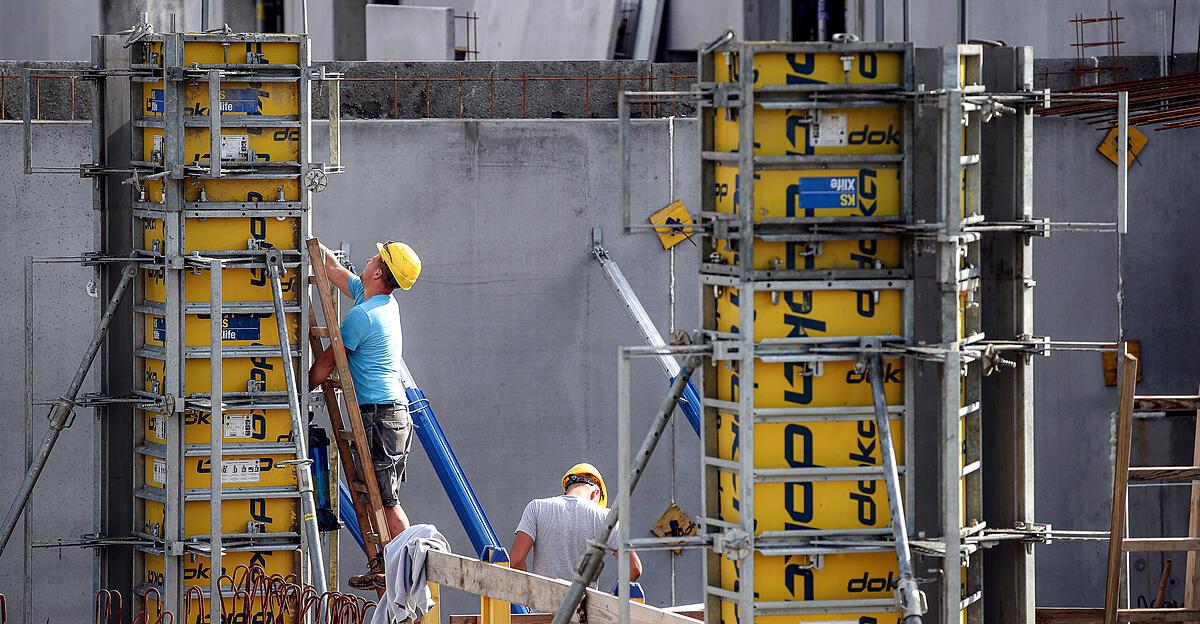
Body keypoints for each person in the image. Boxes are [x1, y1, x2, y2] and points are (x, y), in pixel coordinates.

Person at [308, 240, 422, 589]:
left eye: (375, 256)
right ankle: (386, 560)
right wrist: (308, 239)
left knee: (385, 499)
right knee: (378, 494)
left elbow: (329, 361)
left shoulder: (364, 316)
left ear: (376, 272)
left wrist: (297, 392)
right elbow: (334, 270)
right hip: (387, 414)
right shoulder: (377, 300)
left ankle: (405, 568)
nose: (368, 257)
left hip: (380, 415)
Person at [509, 463, 643, 586]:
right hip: (584, 611)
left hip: (540, 610)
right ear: (595, 493)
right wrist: (608, 600)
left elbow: (515, 561)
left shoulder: (536, 507)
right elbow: (634, 569)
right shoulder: (606, 516)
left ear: (566, 490)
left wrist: (529, 597)